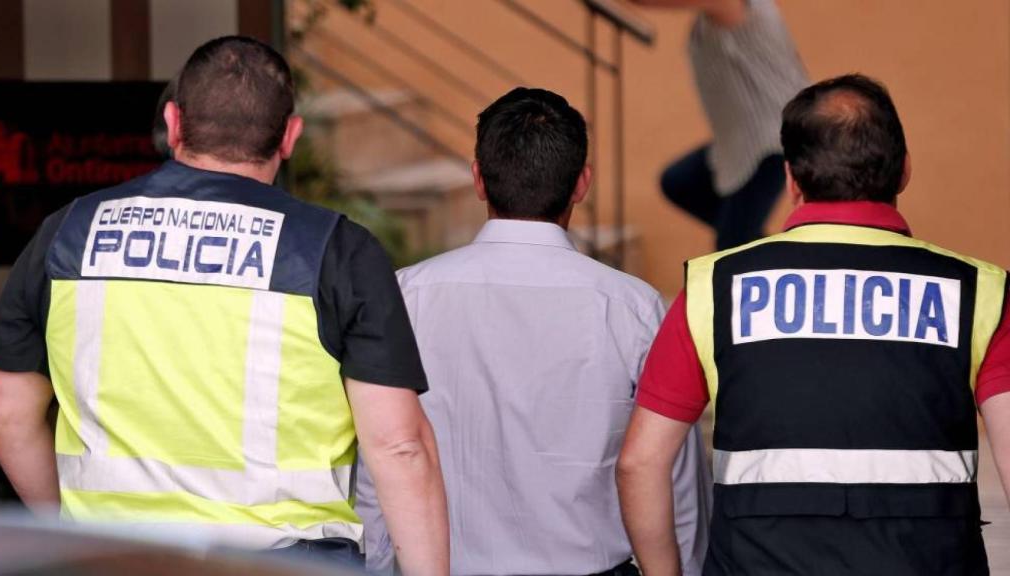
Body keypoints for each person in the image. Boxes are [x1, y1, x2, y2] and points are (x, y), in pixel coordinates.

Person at [0, 36, 449, 575]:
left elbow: (4, 416)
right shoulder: (336, 251)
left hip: (113, 560)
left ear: (174, 123)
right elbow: (399, 447)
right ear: (290, 136)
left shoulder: (68, 232)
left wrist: (76, 534)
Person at [616, 74, 1010, 576]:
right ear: (905, 170)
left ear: (791, 180)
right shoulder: (981, 291)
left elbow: (640, 464)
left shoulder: (714, 286)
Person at [357, 87, 711, 576]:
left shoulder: (407, 296)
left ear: (478, 178)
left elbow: (380, 461)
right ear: (582, 183)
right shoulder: (633, 307)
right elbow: (675, 475)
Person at [628, 0, 808, 250]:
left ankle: (758, 250)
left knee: (730, 245)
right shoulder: (714, 16)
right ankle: (761, 248)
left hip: (772, 142)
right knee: (678, 183)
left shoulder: (740, 6)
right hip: (737, 145)